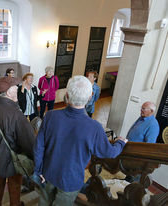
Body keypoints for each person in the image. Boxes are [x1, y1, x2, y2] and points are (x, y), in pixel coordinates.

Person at [34, 75, 128, 206]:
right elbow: (109, 153)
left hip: (48, 172)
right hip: (70, 180)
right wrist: (120, 142)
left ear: (66, 95)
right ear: (90, 97)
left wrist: (38, 170)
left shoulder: (50, 115)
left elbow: (39, 146)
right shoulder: (94, 127)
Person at [0, 76, 35, 206]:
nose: (18, 91)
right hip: (13, 161)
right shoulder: (16, 114)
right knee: (14, 189)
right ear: (9, 92)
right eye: (16, 88)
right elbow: (29, 143)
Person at [125, 101, 160, 183]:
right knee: (129, 173)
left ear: (151, 111)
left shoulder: (153, 125)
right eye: (141, 108)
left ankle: (131, 190)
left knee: (135, 178)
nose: (141, 110)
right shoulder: (142, 118)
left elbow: (149, 146)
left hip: (138, 157)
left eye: (143, 109)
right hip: (131, 153)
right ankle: (126, 182)